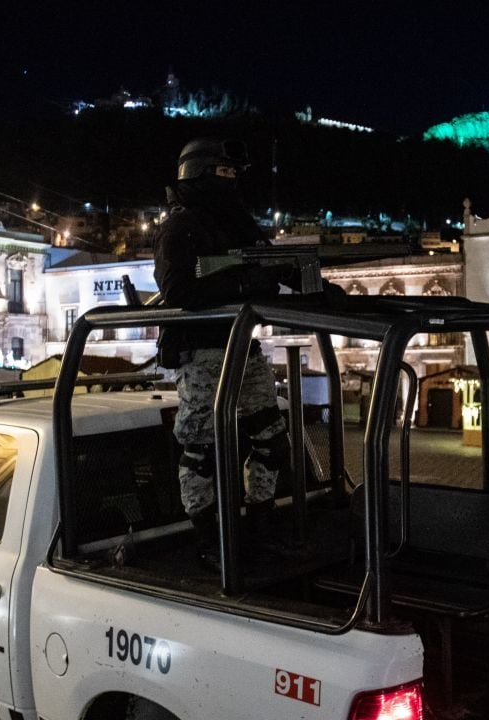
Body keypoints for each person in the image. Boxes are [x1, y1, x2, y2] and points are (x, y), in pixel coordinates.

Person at [153, 137, 293, 570]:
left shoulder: (237, 222)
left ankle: (258, 530)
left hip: (241, 347)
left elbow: (270, 265)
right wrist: (242, 286)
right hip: (203, 353)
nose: (231, 181)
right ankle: (211, 541)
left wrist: (312, 284)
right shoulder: (181, 227)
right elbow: (177, 290)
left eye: (235, 174)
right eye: (223, 173)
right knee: (201, 452)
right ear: (199, 173)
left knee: (271, 438)